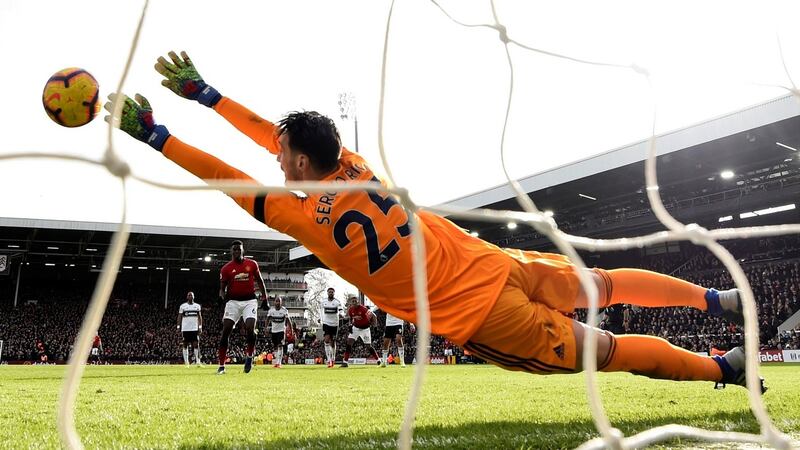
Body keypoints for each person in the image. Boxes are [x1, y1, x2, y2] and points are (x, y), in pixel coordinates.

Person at [105, 50, 762, 392]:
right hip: (496, 262)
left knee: (610, 354)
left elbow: (226, 174)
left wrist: (158, 134)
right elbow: (263, 138)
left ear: (302, 161)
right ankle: (718, 300)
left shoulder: (298, 212)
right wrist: (208, 95)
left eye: (283, 156)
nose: (274, 160)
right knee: (605, 283)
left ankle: (725, 370)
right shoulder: (355, 168)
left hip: (479, 313)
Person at [217, 240, 267, 374]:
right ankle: (221, 366)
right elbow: (222, 288)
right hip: (233, 302)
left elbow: (260, 281)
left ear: (243, 250)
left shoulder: (252, 264)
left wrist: (265, 298)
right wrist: (221, 296)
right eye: (235, 250)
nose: (237, 252)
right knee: (226, 331)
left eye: (239, 249)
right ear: (231, 251)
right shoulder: (226, 268)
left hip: (249, 300)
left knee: (250, 328)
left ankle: (249, 357)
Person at [341, 295, 380, 368]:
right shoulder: (350, 310)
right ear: (351, 303)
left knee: (368, 346)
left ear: (358, 302)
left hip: (365, 329)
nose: (354, 302)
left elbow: (374, 316)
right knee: (349, 343)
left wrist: (375, 327)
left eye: (356, 301)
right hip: (355, 328)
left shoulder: (363, 309)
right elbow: (350, 318)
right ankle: (345, 362)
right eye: (353, 301)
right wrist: (350, 325)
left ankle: (378, 360)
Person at [177, 291, 203, 366]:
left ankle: (198, 362)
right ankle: (186, 363)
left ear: (194, 297)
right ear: (187, 297)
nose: (190, 296)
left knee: (196, 344)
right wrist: (178, 327)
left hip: (194, 328)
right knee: (185, 344)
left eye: (191, 295)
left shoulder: (197, 306)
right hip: (185, 329)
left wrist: (200, 327)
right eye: (189, 295)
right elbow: (179, 317)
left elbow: (200, 317)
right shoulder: (183, 306)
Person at [267, 296, 293, 368]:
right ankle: (276, 362)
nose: (277, 302)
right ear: (274, 302)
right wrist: (266, 328)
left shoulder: (284, 310)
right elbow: (268, 319)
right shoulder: (271, 310)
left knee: (280, 345)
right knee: (275, 346)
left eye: (279, 301)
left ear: (281, 302)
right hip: (273, 331)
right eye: (276, 301)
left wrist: (291, 329)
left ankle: (279, 363)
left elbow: (288, 320)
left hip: (281, 331)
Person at [320, 287, 341, 368]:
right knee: (326, 340)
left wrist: (341, 313)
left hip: (335, 323)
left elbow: (341, 310)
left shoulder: (337, 302)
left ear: (334, 293)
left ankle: (333, 358)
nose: (330, 293)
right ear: (327, 293)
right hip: (326, 323)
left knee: (333, 342)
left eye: (332, 292)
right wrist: (320, 319)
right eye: (329, 292)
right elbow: (321, 311)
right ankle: (328, 360)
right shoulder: (323, 301)